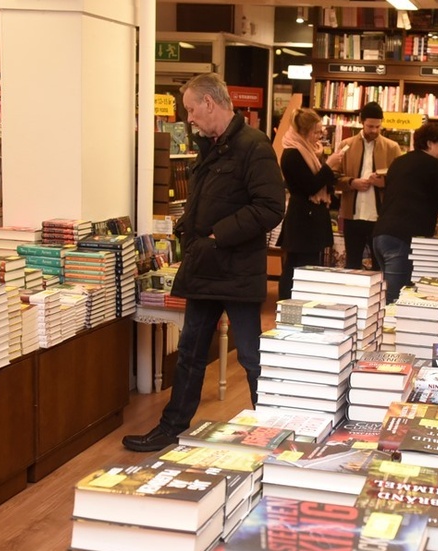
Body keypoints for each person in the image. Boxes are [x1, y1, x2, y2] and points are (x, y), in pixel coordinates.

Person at [123, 73, 285, 453]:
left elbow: (270, 207)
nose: (189, 118)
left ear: (210, 103)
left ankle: (272, 433)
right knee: (191, 354)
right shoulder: (211, 146)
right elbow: (207, 199)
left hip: (237, 272)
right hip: (205, 268)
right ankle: (170, 428)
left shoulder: (254, 146)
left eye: (192, 109)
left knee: (250, 357)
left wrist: (217, 236)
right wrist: (186, 228)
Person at [372, 122, 438, 303]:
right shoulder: (434, 166)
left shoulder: (399, 162)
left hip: (381, 235)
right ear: (428, 143)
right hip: (403, 239)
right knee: (397, 300)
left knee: (388, 296)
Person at [277, 108, 346, 299]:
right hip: (302, 221)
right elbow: (309, 186)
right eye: (316, 132)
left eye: (320, 131)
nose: (320, 135)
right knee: (296, 268)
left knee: (308, 267)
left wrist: (331, 172)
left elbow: (321, 183)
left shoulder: (311, 151)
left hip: (313, 219)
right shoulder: (292, 154)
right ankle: (288, 306)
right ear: (303, 132)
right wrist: (329, 166)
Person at [335, 101, 403, 270]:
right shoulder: (346, 145)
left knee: (379, 264)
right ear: (361, 122)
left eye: (377, 127)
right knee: (352, 263)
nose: (374, 131)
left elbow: (402, 181)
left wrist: (384, 183)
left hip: (379, 218)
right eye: (370, 126)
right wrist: (352, 183)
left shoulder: (392, 147)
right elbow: (334, 177)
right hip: (353, 215)